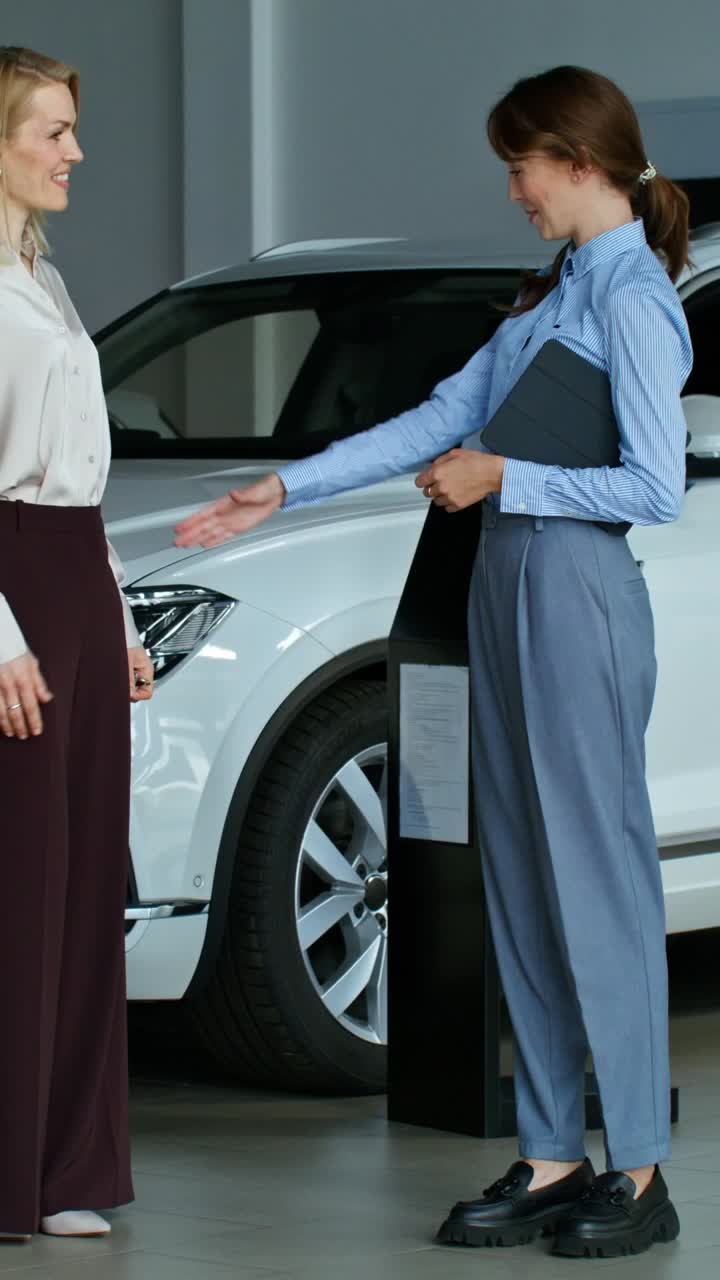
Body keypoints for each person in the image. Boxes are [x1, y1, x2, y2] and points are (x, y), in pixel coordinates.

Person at [175, 65, 692, 1260]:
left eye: (521, 163)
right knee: (514, 871)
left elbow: (654, 486)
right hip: (498, 588)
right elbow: (437, 417)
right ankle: (555, 1148)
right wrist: (282, 489)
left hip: (574, 588)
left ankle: (641, 1171)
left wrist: (508, 476)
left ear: (578, 161)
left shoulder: (633, 301)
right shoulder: (550, 295)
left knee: (596, 880)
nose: (512, 188)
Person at [0, 46, 154, 1242]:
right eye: (52, 130)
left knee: (84, 873)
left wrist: (117, 619)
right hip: (12, 598)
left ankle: (62, 1162)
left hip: (72, 582)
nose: (74, 152)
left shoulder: (40, 275)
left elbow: (81, 482)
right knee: (20, 883)